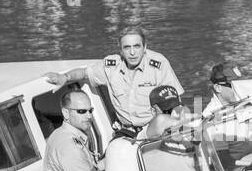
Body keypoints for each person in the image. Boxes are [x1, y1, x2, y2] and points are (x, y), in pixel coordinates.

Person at [44, 30, 181, 136]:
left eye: (137, 46)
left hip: (153, 131)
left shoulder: (158, 64)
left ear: (145, 47)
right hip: (126, 133)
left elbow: (174, 103)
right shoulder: (111, 66)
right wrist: (65, 78)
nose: (132, 52)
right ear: (120, 50)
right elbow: (85, 73)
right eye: (127, 48)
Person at [43, 90, 103, 171]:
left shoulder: (59, 133)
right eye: (81, 111)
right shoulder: (71, 147)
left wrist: (100, 166)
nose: (89, 116)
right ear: (66, 113)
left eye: (90, 110)